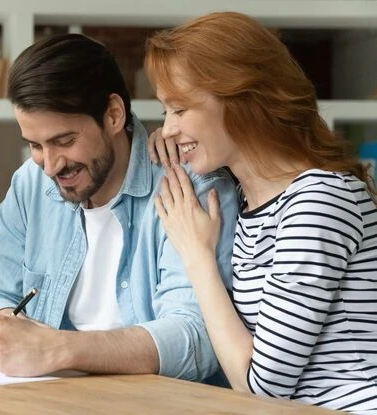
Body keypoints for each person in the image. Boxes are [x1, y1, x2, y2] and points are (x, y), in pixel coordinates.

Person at [0, 33, 239, 380]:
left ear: (113, 114)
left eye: (64, 141)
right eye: (35, 145)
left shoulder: (191, 187)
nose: (49, 166)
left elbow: (195, 338)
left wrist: (56, 348)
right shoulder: (30, 183)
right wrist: (8, 329)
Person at [145, 11, 377, 412]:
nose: (166, 128)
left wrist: (197, 256)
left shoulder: (319, 200)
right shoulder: (245, 198)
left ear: (241, 101)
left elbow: (261, 388)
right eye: (165, 112)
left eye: (179, 109)